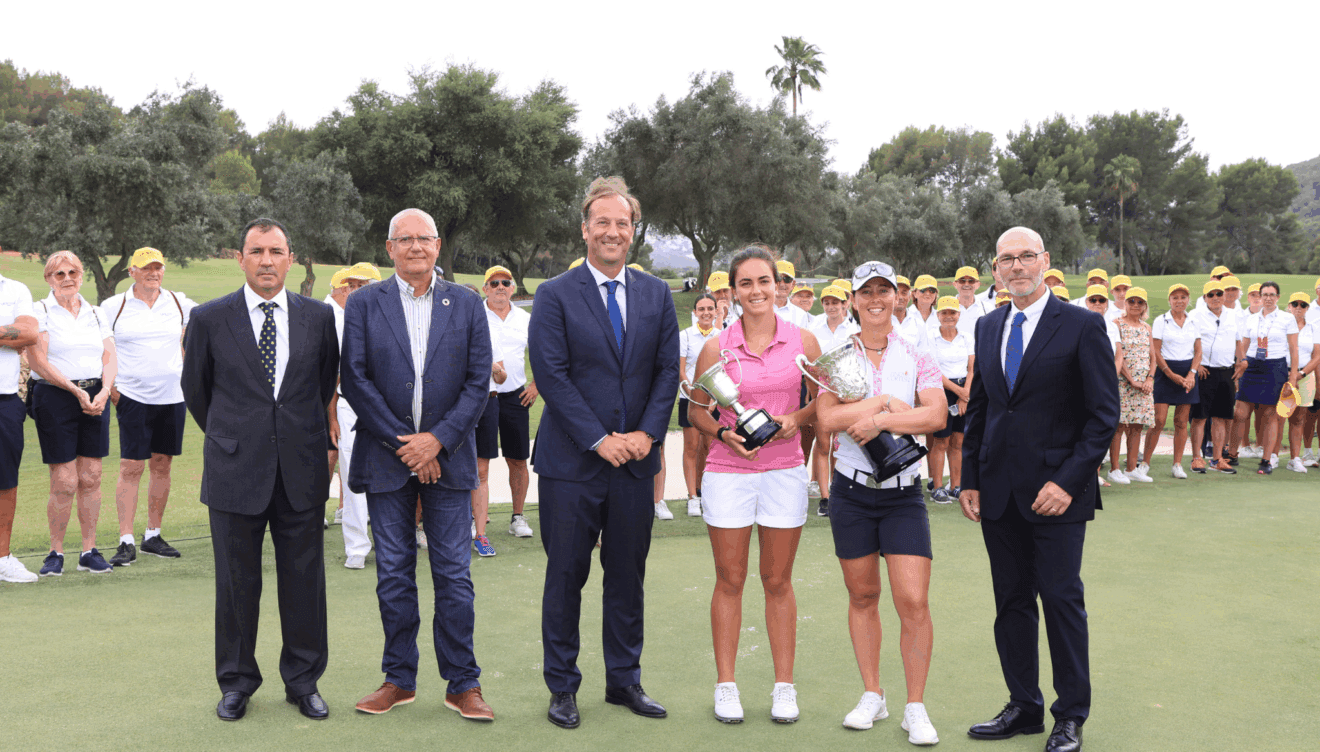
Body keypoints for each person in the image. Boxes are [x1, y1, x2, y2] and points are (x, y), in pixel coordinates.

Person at [528, 177, 679, 729]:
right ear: (585, 228)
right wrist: (600, 438)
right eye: (603, 222)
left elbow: (667, 371)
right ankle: (563, 688)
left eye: (623, 223)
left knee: (626, 578)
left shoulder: (656, 294)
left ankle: (624, 681)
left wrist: (647, 434)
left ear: (633, 232)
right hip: (572, 464)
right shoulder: (554, 294)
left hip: (635, 465)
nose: (613, 232)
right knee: (566, 577)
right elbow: (552, 375)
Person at [960, 227, 1119, 752]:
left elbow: (1103, 416)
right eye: (1006, 259)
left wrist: (1068, 482)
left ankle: (1070, 715)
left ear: (1045, 261)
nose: (1017, 266)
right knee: (1011, 603)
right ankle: (1023, 706)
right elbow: (981, 409)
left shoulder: (1082, 324)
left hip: (1058, 495)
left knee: (1060, 600)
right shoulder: (987, 326)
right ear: (995, 269)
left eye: (1026, 256)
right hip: (998, 492)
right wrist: (970, 479)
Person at [338, 210, 495, 720]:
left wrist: (437, 442)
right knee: (393, 576)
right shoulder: (364, 303)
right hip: (387, 460)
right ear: (389, 249)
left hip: (449, 460)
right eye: (403, 239)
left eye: (423, 239)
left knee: (453, 576)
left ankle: (463, 683)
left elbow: (477, 381)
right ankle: (398, 680)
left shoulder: (467, 303)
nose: (414, 247)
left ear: (437, 245)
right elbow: (355, 379)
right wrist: (407, 445)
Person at [180, 218, 339, 722]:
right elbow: (196, 392)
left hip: (301, 469)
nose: (266, 260)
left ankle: (303, 681)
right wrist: (235, 436)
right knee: (235, 585)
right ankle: (236, 682)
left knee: (304, 584)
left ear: (290, 258)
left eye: (275, 251)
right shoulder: (209, 318)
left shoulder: (319, 317)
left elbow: (322, 386)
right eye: (256, 251)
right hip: (234, 470)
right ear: (240, 258)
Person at [687, 245, 821, 726]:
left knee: (777, 581)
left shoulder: (803, 340)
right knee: (730, 579)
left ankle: (784, 686)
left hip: (785, 471)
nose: (757, 290)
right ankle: (726, 685)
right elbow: (696, 411)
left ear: (778, 285)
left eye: (764, 281)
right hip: (728, 473)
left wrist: (795, 419)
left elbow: (825, 402)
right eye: (746, 283)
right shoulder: (716, 347)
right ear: (733, 291)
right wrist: (722, 434)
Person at [814, 260, 945, 744]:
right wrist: (886, 404)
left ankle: (915, 706)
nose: (875, 299)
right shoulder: (836, 355)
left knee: (913, 600)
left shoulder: (916, 351)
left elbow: (935, 415)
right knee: (863, 596)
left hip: (903, 494)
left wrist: (880, 421)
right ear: (853, 300)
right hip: (851, 492)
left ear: (898, 297)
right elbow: (827, 420)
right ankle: (873, 692)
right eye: (865, 291)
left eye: (883, 291)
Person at [101, 247, 197, 566]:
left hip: (172, 397)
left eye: (158, 268)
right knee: (131, 467)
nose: (153, 273)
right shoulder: (114, 306)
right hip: (132, 397)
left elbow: (211, 323)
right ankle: (126, 540)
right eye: (146, 268)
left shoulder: (179, 303)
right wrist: (112, 387)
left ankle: (152, 535)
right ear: (132, 272)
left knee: (162, 464)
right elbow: (100, 347)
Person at [27, 251, 117, 576]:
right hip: (55, 396)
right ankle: (56, 552)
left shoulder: (95, 312)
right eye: (59, 274)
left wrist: (105, 390)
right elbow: (38, 361)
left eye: (73, 272)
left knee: (91, 476)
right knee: (64, 480)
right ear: (49, 279)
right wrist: (74, 390)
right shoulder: (40, 311)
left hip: (95, 395)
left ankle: (89, 551)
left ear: (81, 276)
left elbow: (109, 356)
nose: (67, 279)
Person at [326, 263, 380, 568]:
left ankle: (389, 544)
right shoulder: (339, 323)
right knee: (351, 477)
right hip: (348, 406)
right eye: (353, 286)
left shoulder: (393, 319)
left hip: (387, 408)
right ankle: (357, 548)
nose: (357, 291)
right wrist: (332, 417)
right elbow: (334, 376)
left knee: (387, 476)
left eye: (363, 286)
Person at [480, 265, 538, 539]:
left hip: (515, 396)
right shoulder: (476, 315)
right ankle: (477, 516)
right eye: (494, 283)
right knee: (480, 462)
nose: (500, 287)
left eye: (505, 282)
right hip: (482, 397)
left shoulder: (525, 318)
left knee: (517, 459)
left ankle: (517, 516)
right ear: (485, 289)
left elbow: (542, 353)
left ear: (513, 288)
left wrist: (536, 385)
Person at [1233, 282, 1299, 475]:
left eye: (1272, 294)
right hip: (1251, 366)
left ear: (1278, 297)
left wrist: (1293, 377)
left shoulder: (1287, 318)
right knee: (1240, 413)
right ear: (1260, 297)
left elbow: (1294, 349)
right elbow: (1244, 346)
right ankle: (1232, 454)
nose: (1268, 298)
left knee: (1271, 415)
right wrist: (1239, 367)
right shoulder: (1251, 319)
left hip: (1275, 366)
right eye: (1265, 294)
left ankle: (1266, 460)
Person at [0, 269, 39, 583]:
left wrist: (17, 335)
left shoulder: (15, 289)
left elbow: (28, 334)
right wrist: (5, 335)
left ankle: (2, 558)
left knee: (5, 481)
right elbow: (16, 334)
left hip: (5, 399)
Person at [1140, 284, 1202, 479]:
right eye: (1175, 297)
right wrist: (1169, 373)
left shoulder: (1193, 321)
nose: (1179, 301)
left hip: (1188, 372)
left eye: (1183, 297)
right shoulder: (1161, 321)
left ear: (1188, 300)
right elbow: (1155, 351)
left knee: (1181, 422)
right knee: (1158, 420)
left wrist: (1192, 374)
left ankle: (1177, 465)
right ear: (1169, 300)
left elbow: (1198, 351)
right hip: (1165, 372)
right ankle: (1145, 463)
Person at [807, 285, 859, 517]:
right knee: (823, 444)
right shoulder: (814, 327)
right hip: (821, 390)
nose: (831, 307)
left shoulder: (855, 328)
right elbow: (809, 362)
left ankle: (839, 493)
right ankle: (825, 498)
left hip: (847, 392)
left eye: (835, 302)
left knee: (841, 444)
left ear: (845, 304)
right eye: (827, 303)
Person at [467, 276, 508, 557]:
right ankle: (425, 528)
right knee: (445, 468)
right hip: (454, 406)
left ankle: (480, 534)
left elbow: (502, 378)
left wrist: (492, 366)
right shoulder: (443, 332)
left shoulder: (490, 332)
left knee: (481, 472)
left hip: (487, 402)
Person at [1189, 281, 1240, 474]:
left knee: (1221, 417)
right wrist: (1196, 364)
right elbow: (1189, 341)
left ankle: (1217, 459)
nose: (1215, 297)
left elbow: (1238, 341)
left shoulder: (1233, 315)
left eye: (1219, 293)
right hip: (1205, 371)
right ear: (1204, 298)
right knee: (1200, 417)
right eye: (1211, 295)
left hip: (1226, 370)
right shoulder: (1195, 315)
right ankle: (1197, 458)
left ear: (1224, 295)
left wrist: (1241, 361)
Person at [679, 293, 721, 517]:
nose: (706, 313)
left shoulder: (722, 336)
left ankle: (705, 491)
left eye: (710, 309)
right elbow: (681, 370)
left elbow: (724, 369)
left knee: (709, 447)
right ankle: (692, 497)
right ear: (694, 312)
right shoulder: (685, 335)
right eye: (701, 309)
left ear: (716, 312)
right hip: (690, 399)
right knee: (691, 447)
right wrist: (694, 396)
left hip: (715, 400)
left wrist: (713, 399)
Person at [929, 296, 973, 503]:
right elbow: (934, 371)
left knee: (958, 441)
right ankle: (938, 487)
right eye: (944, 312)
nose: (948, 316)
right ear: (938, 315)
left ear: (958, 315)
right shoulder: (931, 338)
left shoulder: (966, 337)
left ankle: (956, 485)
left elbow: (972, 368)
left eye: (952, 313)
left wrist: (965, 395)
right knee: (941, 441)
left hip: (964, 389)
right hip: (942, 390)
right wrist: (959, 392)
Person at [1108, 288, 1155, 484]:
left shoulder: (1146, 327)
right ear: (1125, 303)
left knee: (1137, 426)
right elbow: (1118, 355)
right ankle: (1114, 469)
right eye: (1132, 301)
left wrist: (1149, 379)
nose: (1136, 305)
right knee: (1119, 426)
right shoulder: (1116, 324)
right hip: (1122, 382)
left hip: (1143, 384)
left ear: (1145, 306)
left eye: (1140, 302)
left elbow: (1153, 357)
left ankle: (1131, 468)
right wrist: (1131, 380)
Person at [1281, 292, 1317, 473]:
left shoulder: (1313, 328)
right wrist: (1289, 375)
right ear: (1289, 306)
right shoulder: (1281, 325)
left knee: (1299, 418)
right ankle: (1271, 456)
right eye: (1295, 304)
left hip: (1305, 376)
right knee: (1278, 417)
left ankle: (1294, 458)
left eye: (1303, 305)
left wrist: (1300, 374)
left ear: (1307, 308)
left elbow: (1317, 356)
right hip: (1282, 374)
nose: (1298, 307)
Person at [773, 260, 812, 328]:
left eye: (787, 279)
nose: (782, 283)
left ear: (793, 284)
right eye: (778, 279)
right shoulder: (758, 309)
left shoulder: (801, 315)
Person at [953, 266, 985, 342]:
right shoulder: (947, 308)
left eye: (971, 281)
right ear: (955, 284)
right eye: (962, 281)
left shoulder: (987, 308)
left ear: (978, 284)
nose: (966, 284)